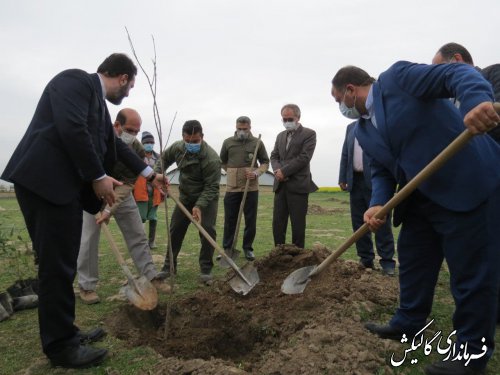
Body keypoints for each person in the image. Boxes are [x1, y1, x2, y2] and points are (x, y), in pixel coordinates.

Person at [331, 63, 500, 375]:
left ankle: (472, 355)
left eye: (337, 98)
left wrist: (477, 101)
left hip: (465, 183)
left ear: (350, 90)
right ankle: (407, 323)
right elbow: (381, 170)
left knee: (471, 274)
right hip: (421, 200)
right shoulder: (364, 130)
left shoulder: (398, 80)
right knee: (412, 261)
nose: (339, 106)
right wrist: (377, 202)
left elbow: (456, 75)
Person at [1, 53, 165, 369]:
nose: (128, 93)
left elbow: (114, 147)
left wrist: (150, 175)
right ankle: (60, 347)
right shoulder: (74, 81)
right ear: (123, 77)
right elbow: (71, 127)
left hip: (62, 191)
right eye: (130, 86)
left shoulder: (99, 109)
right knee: (56, 267)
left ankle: (68, 333)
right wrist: (97, 176)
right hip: (45, 185)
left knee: (63, 265)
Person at [77, 109, 169, 305]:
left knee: (137, 233)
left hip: (121, 192)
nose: (133, 135)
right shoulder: (97, 139)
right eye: (129, 130)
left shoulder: (136, 148)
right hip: (93, 192)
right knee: (89, 239)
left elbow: (128, 183)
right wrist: (101, 205)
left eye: (137, 131)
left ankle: (150, 275)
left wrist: (110, 209)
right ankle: (86, 286)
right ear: (116, 125)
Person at [156, 120, 221, 284]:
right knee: (175, 229)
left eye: (195, 141)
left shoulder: (212, 158)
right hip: (184, 197)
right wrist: (157, 176)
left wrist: (199, 206)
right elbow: (162, 160)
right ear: (183, 137)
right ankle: (168, 267)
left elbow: (211, 186)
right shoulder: (177, 148)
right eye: (188, 141)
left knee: (207, 231)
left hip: (206, 197)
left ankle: (206, 269)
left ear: (202, 137)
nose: (191, 144)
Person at [338, 121, 395, 275]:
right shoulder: (350, 127)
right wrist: (343, 176)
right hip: (355, 181)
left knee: (380, 220)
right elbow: (345, 153)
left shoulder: (377, 123)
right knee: (358, 222)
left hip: (376, 181)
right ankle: (365, 258)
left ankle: (387, 261)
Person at [219, 116, 269, 261]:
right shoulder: (228, 142)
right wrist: (232, 172)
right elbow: (222, 161)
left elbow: (265, 162)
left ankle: (248, 248)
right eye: (239, 129)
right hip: (232, 187)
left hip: (251, 187)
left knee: (250, 219)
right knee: (230, 219)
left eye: (244, 129)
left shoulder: (257, 143)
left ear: (250, 127)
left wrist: (256, 173)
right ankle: (228, 248)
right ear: (236, 127)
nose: (241, 131)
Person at [270, 104, 317, 249]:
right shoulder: (280, 136)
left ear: (298, 118)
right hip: (280, 185)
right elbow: (274, 156)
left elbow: (304, 158)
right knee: (278, 222)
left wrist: (284, 171)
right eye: (284, 119)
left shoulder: (309, 134)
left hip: (298, 185)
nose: (287, 121)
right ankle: (279, 253)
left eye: (290, 119)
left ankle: (298, 257)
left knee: (297, 224)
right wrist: (278, 171)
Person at [432, 42, 500, 143]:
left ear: (457, 59)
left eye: (441, 69)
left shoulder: (494, 72)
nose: (440, 76)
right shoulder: (450, 100)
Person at [134, 131, 162, 249]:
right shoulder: (137, 156)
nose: (149, 144)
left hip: (155, 192)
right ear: (142, 143)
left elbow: (161, 173)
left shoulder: (159, 158)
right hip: (141, 191)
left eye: (151, 142)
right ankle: (141, 242)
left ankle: (151, 241)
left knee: (153, 217)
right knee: (141, 218)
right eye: (147, 142)